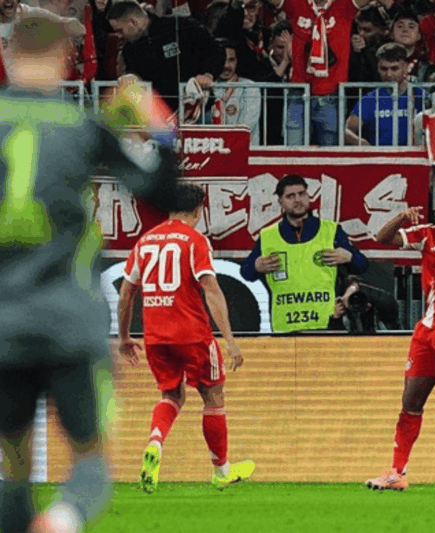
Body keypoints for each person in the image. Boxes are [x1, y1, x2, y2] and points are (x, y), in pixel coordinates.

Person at [0, 11, 177, 533]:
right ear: (65, 61)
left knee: (12, 467)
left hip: (4, 324)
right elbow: (166, 195)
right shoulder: (85, 126)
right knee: (91, 463)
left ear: (8, 57)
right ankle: (64, 516)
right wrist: (157, 123)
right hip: (69, 320)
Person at [117, 184, 255, 494]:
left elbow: (127, 293)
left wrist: (125, 336)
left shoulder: (145, 242)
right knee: (213, 397)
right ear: (198, 211)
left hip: (155, 336)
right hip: (192, 334)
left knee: (170, 396)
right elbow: (211, 288)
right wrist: (230, 339)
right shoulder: (195, 241)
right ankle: (221, 471)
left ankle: (155, 442)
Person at [365, 182, 435, 493]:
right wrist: (403, 217)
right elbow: (382, 238)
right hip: (428, 333)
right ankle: (396, 472)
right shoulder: (426, 234)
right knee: (410, 401)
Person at [239, 174, 369, 332]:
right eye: (290, 196)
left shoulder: (331, 230)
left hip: (326, 324)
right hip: (285, 328)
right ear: (281, 202)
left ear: (309, 196)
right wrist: (256, 266)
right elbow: (246, 273)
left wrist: (349, 257)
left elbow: (362, 265)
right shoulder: (268, 235)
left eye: (302, 194)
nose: (297, 200)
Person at [263, 0, 372, 146]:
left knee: (328, 159)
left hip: (331, 95)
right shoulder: (296, 4)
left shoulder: (344, 5)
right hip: (298, 93)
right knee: (293, 156)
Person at [106, 1, 225, 111]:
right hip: (160, 119)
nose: (119, 36)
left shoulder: (179, 26)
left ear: (133, 22)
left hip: (199, 110)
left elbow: (215, 49)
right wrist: (131, 79)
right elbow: (137, 80)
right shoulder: (129, 50)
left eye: (120, 30)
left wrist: (208, 74)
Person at [345, 42, 425, 146]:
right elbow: (346, 131)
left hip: (414, 159)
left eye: (394, 68)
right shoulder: (371, 98)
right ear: (378, 68)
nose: (389, 74)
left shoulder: (421, 95)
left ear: (406, 67)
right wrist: (362, 143)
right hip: (380, 159)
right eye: (384, 69)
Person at [211, 40, 262, 144]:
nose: (226, 65)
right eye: (222, 60)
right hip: (215, 152)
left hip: (244, 151)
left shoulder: (250, 87)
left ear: (236, 62)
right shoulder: (208, 88)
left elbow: (248, 125)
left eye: (231, 60)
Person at [328, 275, 401, 332]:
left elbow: (391, 304)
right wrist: (335, 318)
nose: (356, 298)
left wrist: (364, 291)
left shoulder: (377, 306)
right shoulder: (344, 314)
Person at [349, 5, 391, 83]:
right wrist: (356, 54)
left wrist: (367, 53)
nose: (361, 33)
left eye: (367, 30)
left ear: (383, 31)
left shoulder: (390, 49)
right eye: (359, 28)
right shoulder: (351, 45)